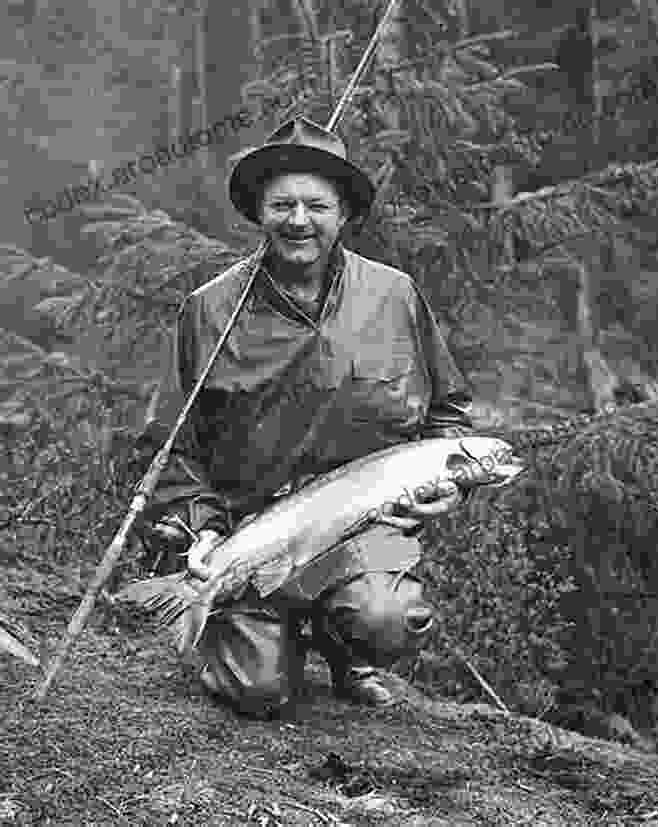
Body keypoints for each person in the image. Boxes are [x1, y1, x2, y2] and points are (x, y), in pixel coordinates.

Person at [144, 115, 473, 718]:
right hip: (253, 532)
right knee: (258, 694)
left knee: (386, 618)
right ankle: (260, 631)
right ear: (258, 212)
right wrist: (202, 528)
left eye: (316, 205)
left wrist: (448, 485)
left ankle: (349, 649)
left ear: (344, 212)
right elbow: (169, 443)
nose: (299, 220)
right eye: (282, 204)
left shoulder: (395, 295)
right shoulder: (209, 309)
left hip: (363, 530)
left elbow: (448, 415)